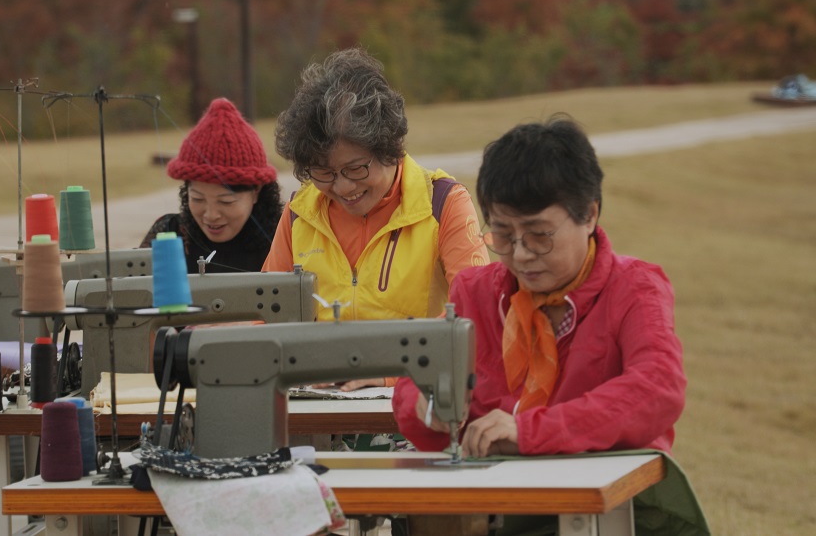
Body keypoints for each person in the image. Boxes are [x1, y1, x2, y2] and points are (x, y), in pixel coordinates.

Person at [393, 114, 687, 460]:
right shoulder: (476, 292)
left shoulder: (635, 288)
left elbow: (658, 388)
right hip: (501, 495)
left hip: (604, 499)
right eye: (503, 235)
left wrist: (530, 431)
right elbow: (413, 380)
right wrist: (427, 404)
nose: (520, 254)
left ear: (589, 215)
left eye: (539, 235)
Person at [263, 47, 488, 391]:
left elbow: (475, 317)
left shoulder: (443, 204)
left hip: (415, 401)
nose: (341, 187)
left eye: (356, 169)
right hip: (318, 407)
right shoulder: (299, 213)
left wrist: (392, 371)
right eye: (323, 173)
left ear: (391, 147)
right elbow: (265, 314)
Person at [140, 97, 283, 273]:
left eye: (226, 201)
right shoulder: (169, 234)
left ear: (256, 191)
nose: (211, 215)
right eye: (198, 199)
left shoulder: (284, 240)